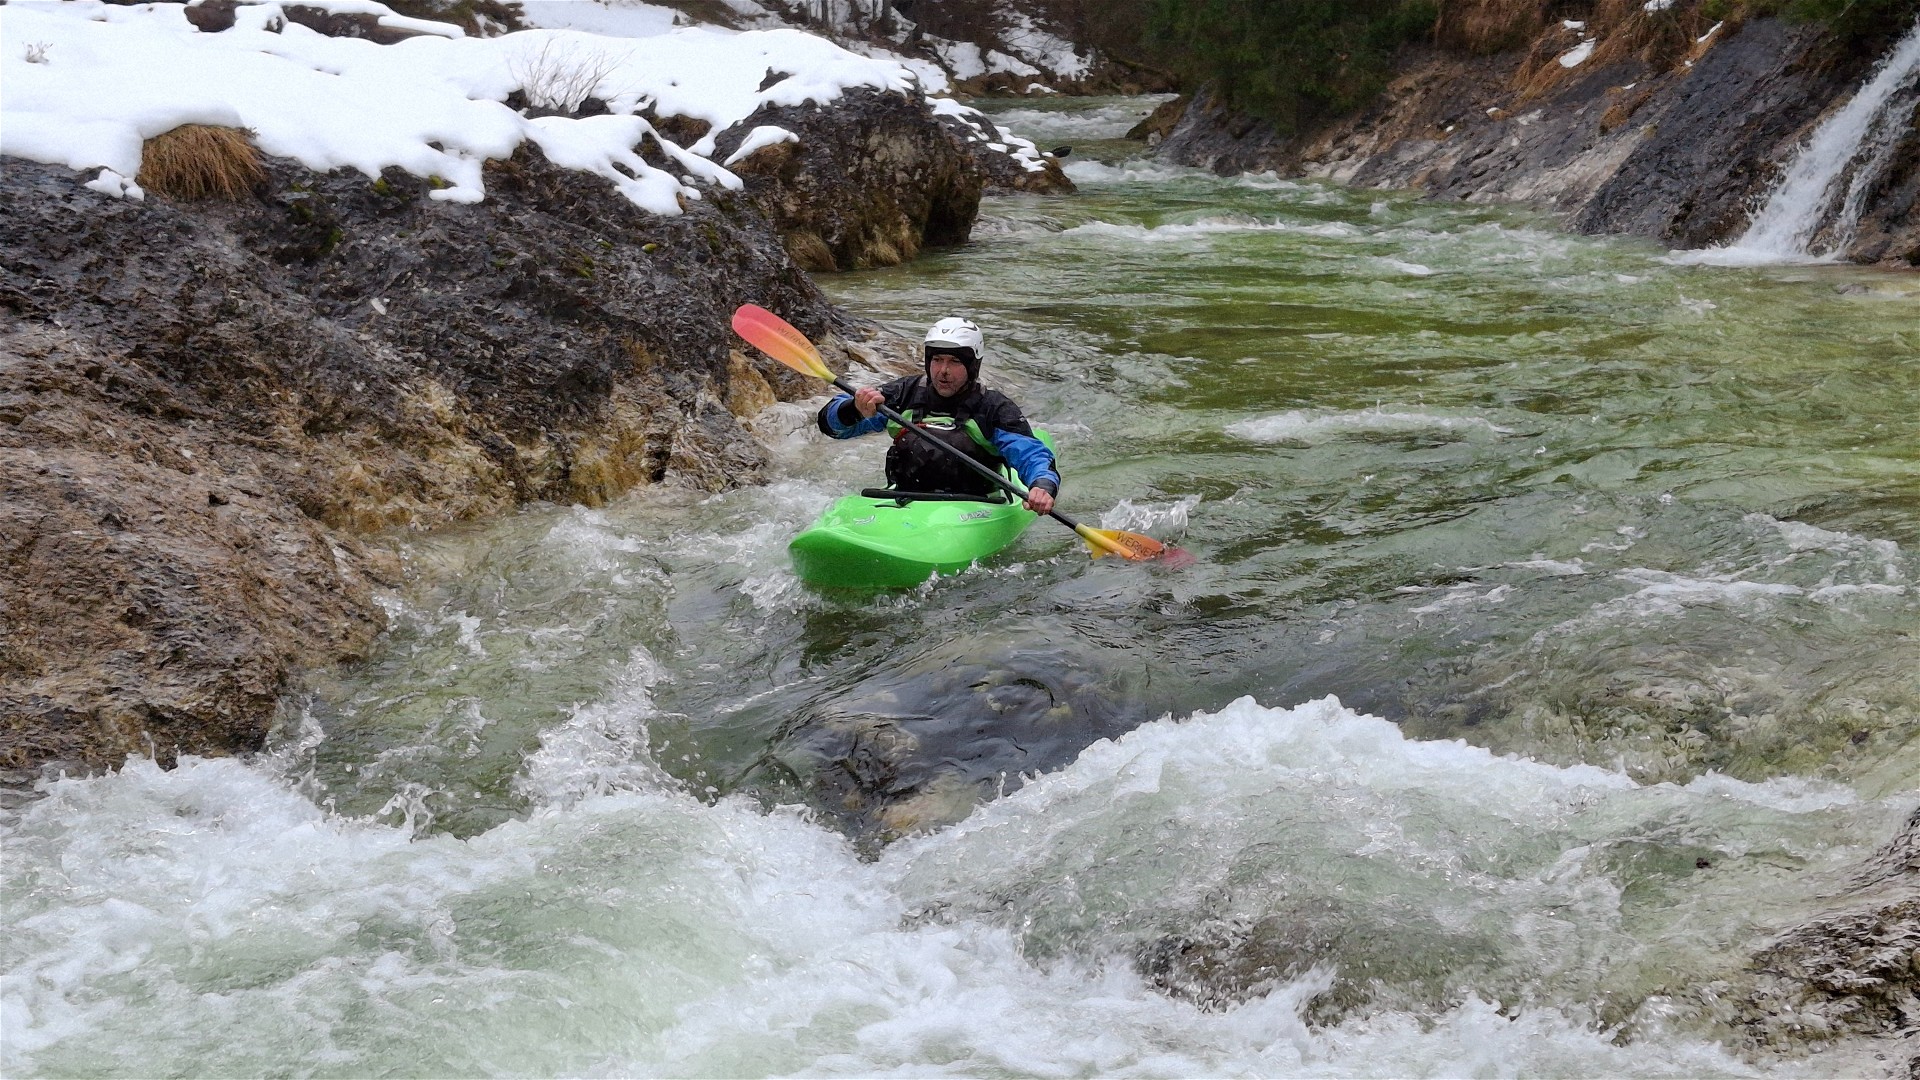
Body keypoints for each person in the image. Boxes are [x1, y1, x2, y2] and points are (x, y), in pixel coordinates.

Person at [816, 317, 1059, 515]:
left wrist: (1042, 486)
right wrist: (854, 409)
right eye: (937, 360)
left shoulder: (993, 407)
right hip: (905, 499)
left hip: (975, 505)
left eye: (954, 361)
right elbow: (831, 427)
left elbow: (1031, 455)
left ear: (972, 366)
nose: (943, 371)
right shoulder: (904, 394)